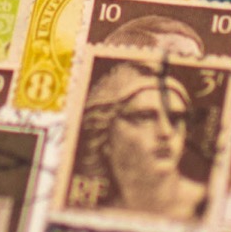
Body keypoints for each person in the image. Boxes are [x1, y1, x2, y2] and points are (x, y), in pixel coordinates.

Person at [79, 61, 208, 220]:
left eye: (175, 119)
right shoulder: (95, 214)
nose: (166, 132)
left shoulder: (207, 205)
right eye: (144, 117)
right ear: (103, 133)